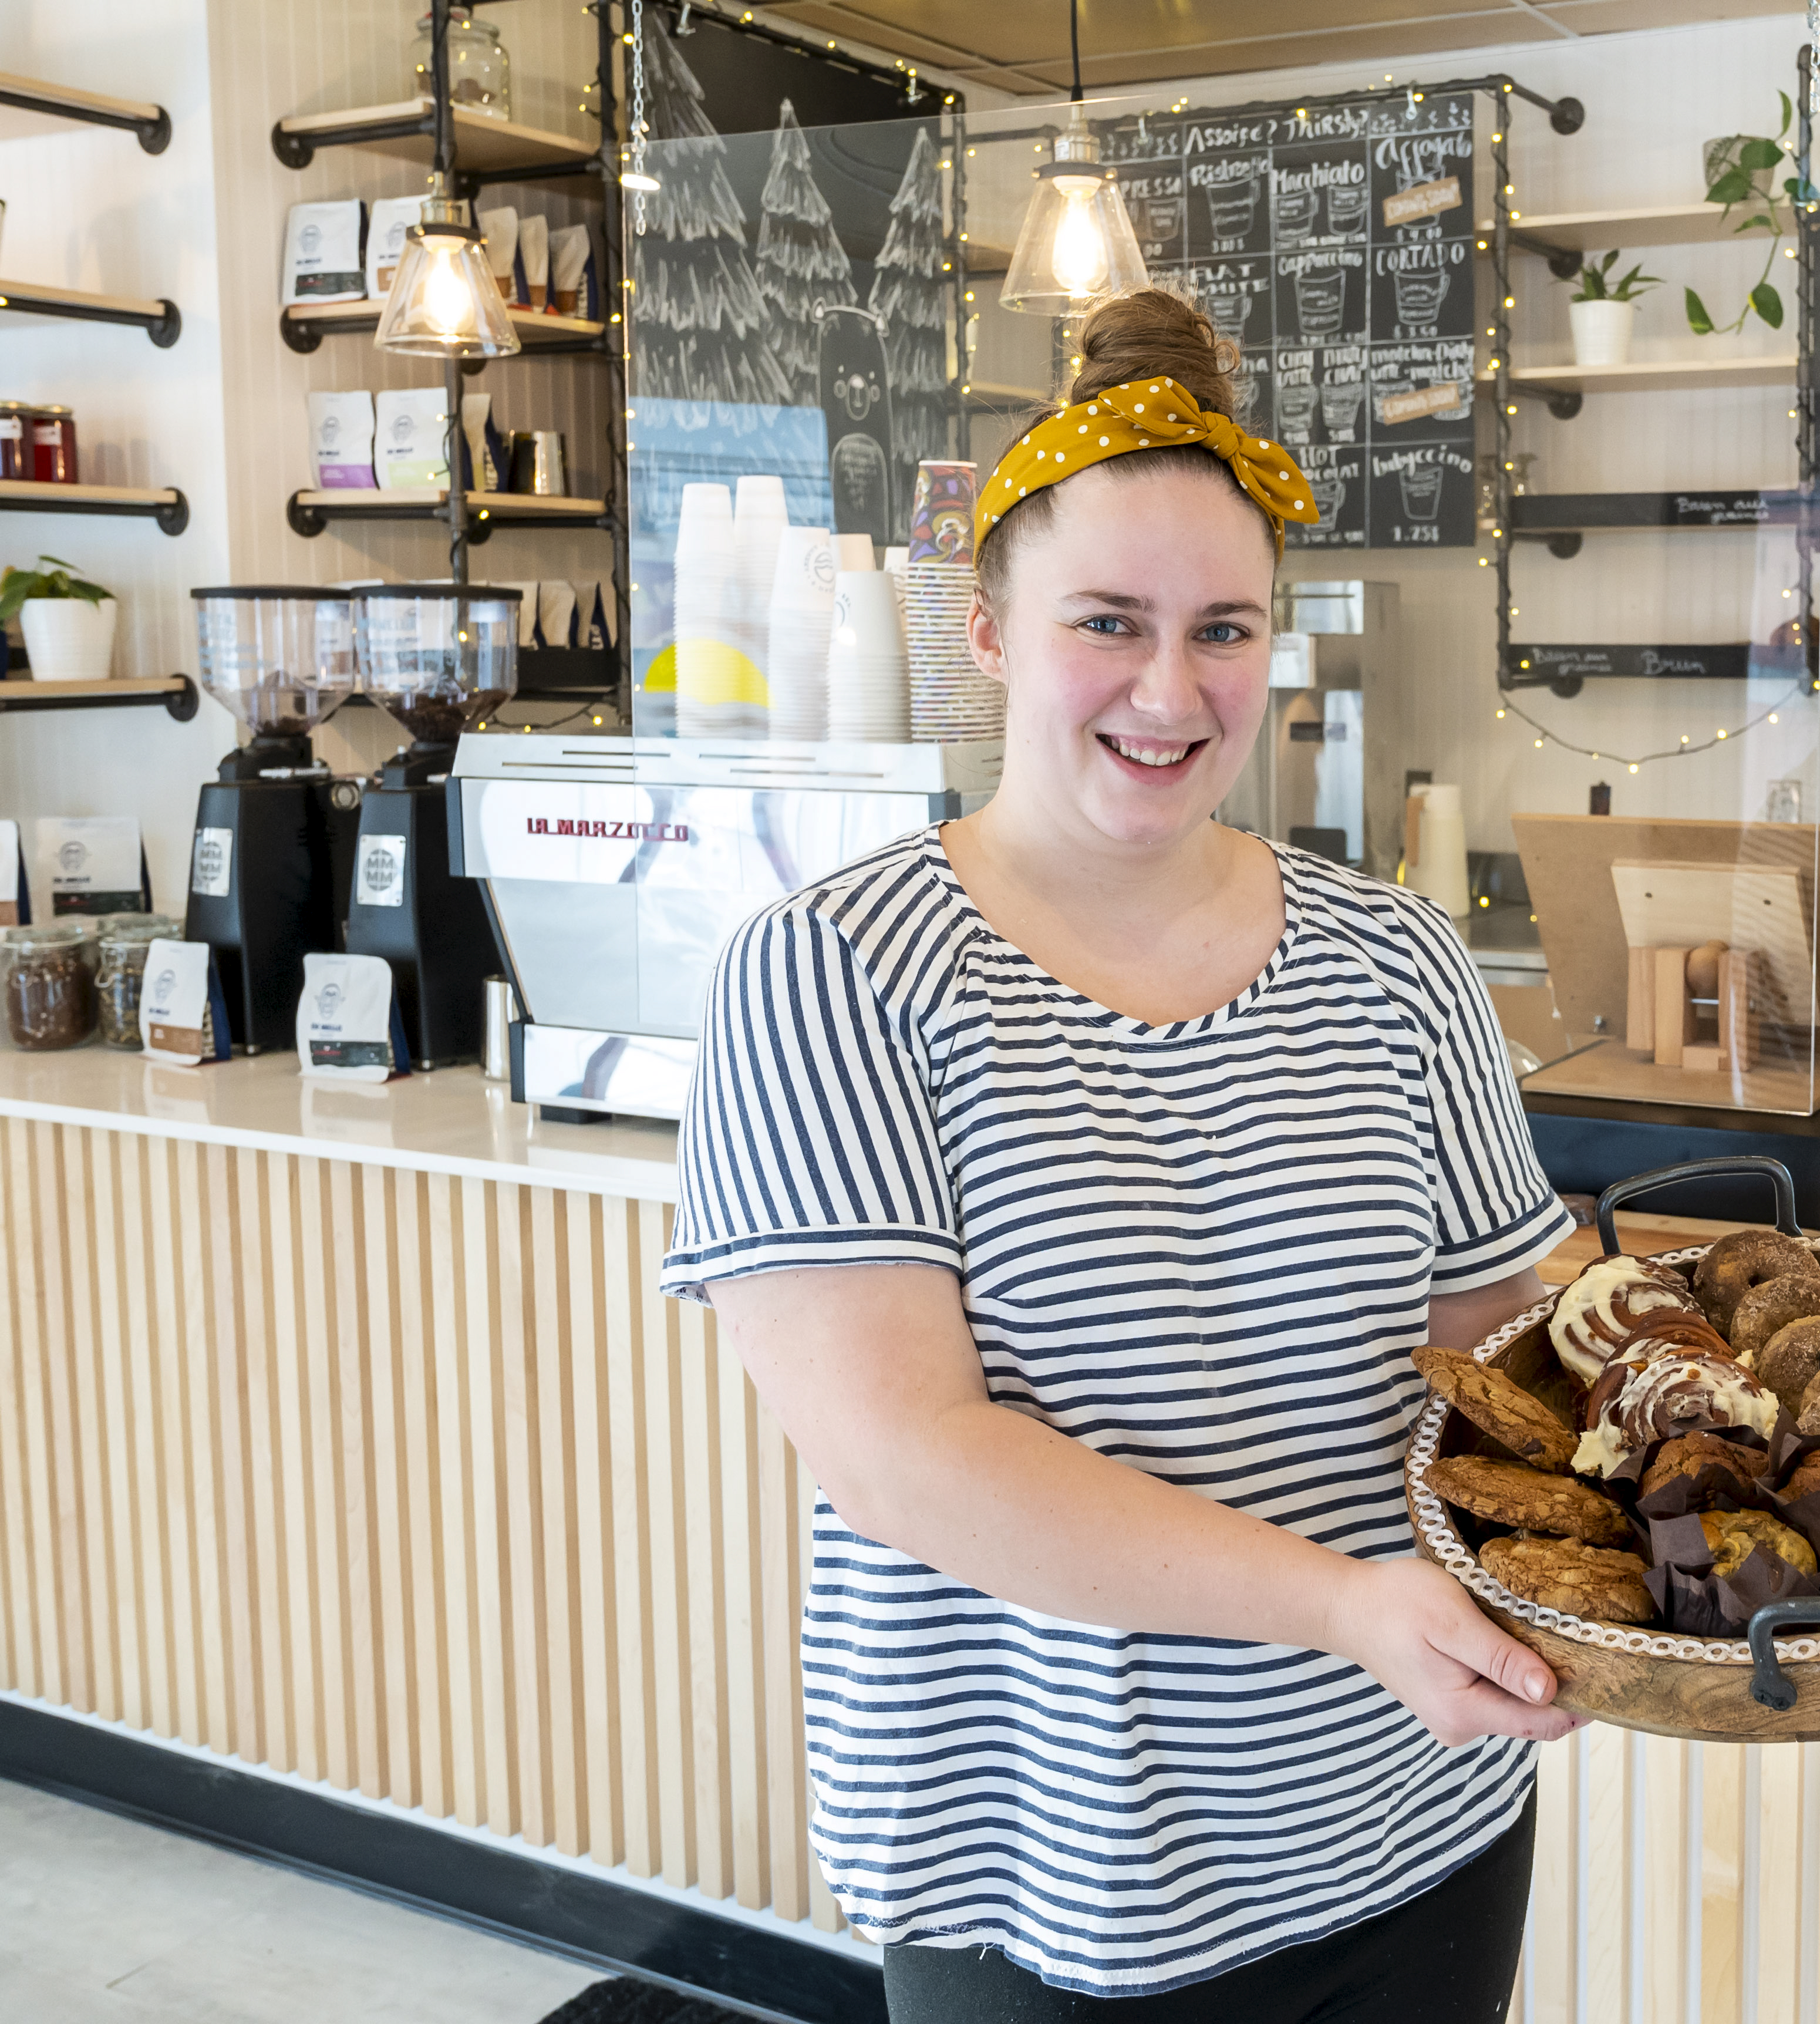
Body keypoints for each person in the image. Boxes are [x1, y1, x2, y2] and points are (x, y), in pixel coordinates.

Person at [663, 289, 1583, 2023]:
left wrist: (1670, 1416)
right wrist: (1346, 1609)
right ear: (993, 626)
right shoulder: (835, 970)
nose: (1171, 691)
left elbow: (1496, 1350)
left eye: (1224, 630)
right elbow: (910, 1462)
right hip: (1054, 1881)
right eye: (1109, 621)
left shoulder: (1397, 959)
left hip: (1421, 1817)